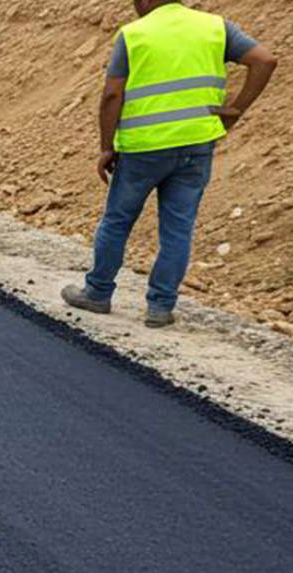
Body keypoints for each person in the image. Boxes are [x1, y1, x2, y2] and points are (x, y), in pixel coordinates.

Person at [63, 1, 275, 328]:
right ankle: (160, 307)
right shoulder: (216, 27)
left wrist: (106, 147)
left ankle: (97, 292)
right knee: (178, 228)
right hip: (196, 145)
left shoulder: (134, 35)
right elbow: (264, 60)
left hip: (143, 149)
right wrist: (237, 109)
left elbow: (111, 95)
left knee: (118, 220)